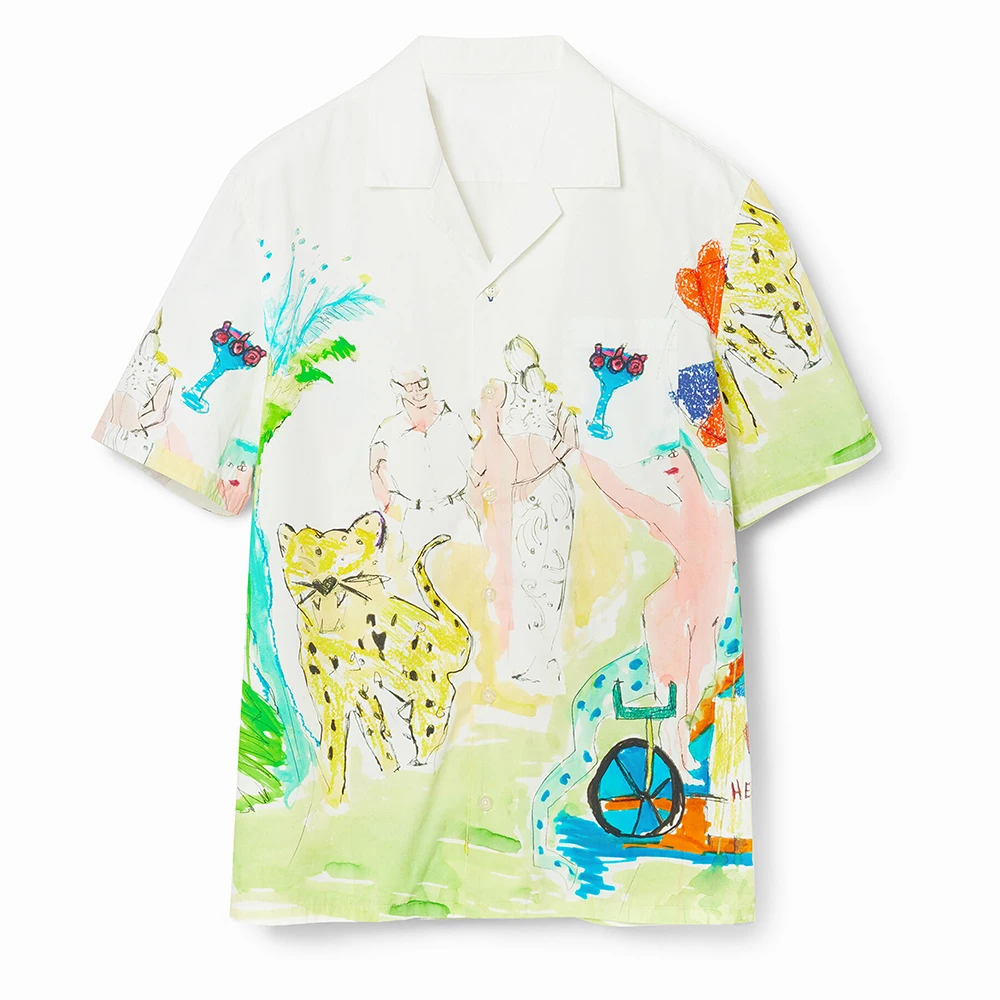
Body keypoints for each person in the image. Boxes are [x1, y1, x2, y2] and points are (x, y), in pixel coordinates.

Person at [471, 336, 578, 690]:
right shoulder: (553, 398)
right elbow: (570, 442)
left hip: (527, 492)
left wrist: (528, 478)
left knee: (526, 576)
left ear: (510, 364)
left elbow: (490, 445)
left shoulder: (503, 397)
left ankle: (530, 661)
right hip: (551, 488)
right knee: (550, 576)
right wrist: (544, 470)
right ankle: (538, 659)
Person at [370, 366, 479, 559]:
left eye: (422, 383)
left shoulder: (453, 420)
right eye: (409, 386)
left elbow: (475, 465)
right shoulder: (388, 430)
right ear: (396, 388)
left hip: (457, 514)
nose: (418, 391)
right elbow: (375, 470)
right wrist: (389, 509)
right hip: (417, 520)